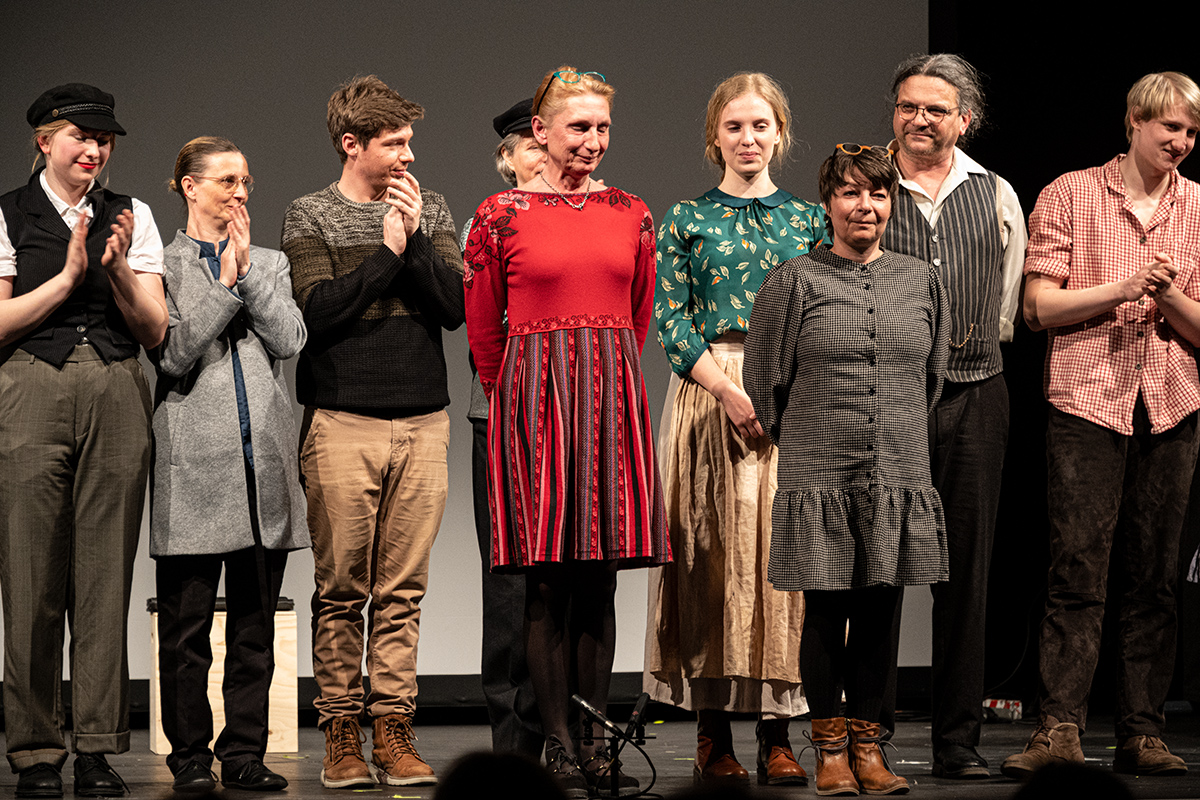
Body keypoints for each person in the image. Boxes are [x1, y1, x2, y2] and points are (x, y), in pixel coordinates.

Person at [463, 65, 671, 799]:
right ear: (541, 132)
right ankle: (555, 744)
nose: (592, 139)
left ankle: (595, 738)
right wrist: (521, 399)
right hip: (534, 405)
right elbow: (485, 332)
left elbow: (638, 315)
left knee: (600, 581)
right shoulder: (501, 214)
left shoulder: (631, 212)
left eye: (602, 127)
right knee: (547, 585)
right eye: (579, 126)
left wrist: (605, 380)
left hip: (609, 403)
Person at [1001, 71, 1200, 781]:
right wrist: (1124, 287)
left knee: (1156, 577)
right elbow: (1037, 309)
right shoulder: (1072, 193)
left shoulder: (1199, 207)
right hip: (1088, 400)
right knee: (1077, 569)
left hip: (1171, 402)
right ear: (1135, 121)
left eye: (1191, 131)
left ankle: (1143, 731)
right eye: (1170, 126)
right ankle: (1059, 728)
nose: (1181, 141)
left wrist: (1167, 294)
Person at [745, 144, 949, 796]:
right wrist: (809, 440)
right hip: (821, 473)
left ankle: (869, 748)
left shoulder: (920, 280)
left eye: (878, 194)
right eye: (851, 193)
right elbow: (764, 379)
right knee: (827, 613)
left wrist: (896, 434)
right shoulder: (794, 281)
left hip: (896, 469)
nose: (866, 206)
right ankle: (830, 750)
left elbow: (933, 376)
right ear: (828, 203)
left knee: (881, 613)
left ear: (892, 203)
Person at [282, 75, 464, 788]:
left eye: (409, 142)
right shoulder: (311, 214)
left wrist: (412, 241)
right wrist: (387, 255)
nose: (408, 156)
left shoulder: (430, 207)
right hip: (343, 421)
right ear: (351, 144)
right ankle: (341, 734)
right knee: (341, 589)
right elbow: (317, 313)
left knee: (402, 591)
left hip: (422, 421)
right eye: (394, 143)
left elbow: (452, 306)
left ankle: (393, 729)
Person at [644, 72, 825, 786]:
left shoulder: (809, 220)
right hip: (708, 392)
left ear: (780, 133)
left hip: (791, 395)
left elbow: (824, 310)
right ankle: (712, 734)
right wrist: (726, 390)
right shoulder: (686, 218)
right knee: (709, 557)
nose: (748, 139)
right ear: (714, 136)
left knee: (781, 562)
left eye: (760, 126)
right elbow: (670, 319)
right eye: (734, 127)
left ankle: (778, 734)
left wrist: (781, 391)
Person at [0, 83, 167, 799]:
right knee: (30, 575)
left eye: (104, 140)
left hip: (116, 386)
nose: (95, 150)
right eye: (81, 137)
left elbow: (154, 329)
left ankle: (96, 747)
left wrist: (118, 269)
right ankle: (36, 750)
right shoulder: (9, 214)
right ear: (45, 142)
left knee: (104, 576)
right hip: (31, 385)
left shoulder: (132, 214)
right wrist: (67, 278)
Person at [878, 53, 1028, 779]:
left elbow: (1007, 301)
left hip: (976, 393)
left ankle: (957, 742)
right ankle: (869, 737)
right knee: (877, 569)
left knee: (965, 574)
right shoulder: (869, 186)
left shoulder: (994, 192)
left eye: (936, 109)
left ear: (963, 119)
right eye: (909, 106)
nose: (920, 119)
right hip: (887, 400)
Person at [151, 137, 309, 794]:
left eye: (245, 181)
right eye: (226, 181)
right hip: (193, 466)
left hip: (261, 467)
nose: (241, 193)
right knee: (186, 631)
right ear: (189, 186)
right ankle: (189, 756)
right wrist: (221, 285)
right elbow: (173, 353)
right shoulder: (159, 264)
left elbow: (289, 339)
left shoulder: (269, 262)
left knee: (254, 629)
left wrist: (245, 274)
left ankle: (244, 751)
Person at [461, 98, 548, 760]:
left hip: (578, 417)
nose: (544, 158)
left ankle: (567, 731)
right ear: (508, 159)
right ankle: (513, 741)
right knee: (509, 577)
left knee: (571, 578)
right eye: (531, 147)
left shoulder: (595, 215)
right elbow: (483, 328)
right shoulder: (489, 221)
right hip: (502, 413)